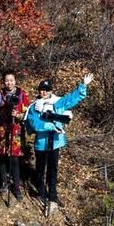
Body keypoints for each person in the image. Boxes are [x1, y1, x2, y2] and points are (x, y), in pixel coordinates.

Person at [25, 73, 94, 215]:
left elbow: (72, 98)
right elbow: (34, 123)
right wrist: (50, 126)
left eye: (47, 89)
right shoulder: (34, 107)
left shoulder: (58, 103)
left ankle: (53, 196)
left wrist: (83, 85)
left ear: (51, 90)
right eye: (41, 89)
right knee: (40, 170)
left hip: (55, 143)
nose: (44, 92)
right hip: (41, 144)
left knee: (53, 170)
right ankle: (41, 193)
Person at [0, 70, 30, 202]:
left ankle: (16, 187)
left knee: (14, 159)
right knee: (2, 157)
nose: (9, 83)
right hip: (1, 130)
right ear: (4, 81)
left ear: (15, 81)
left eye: (11, 80)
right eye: (7, 80)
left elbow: (27, 112)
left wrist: (18, 115)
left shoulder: (22, 94)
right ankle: (4, 182)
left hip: (15, 130)